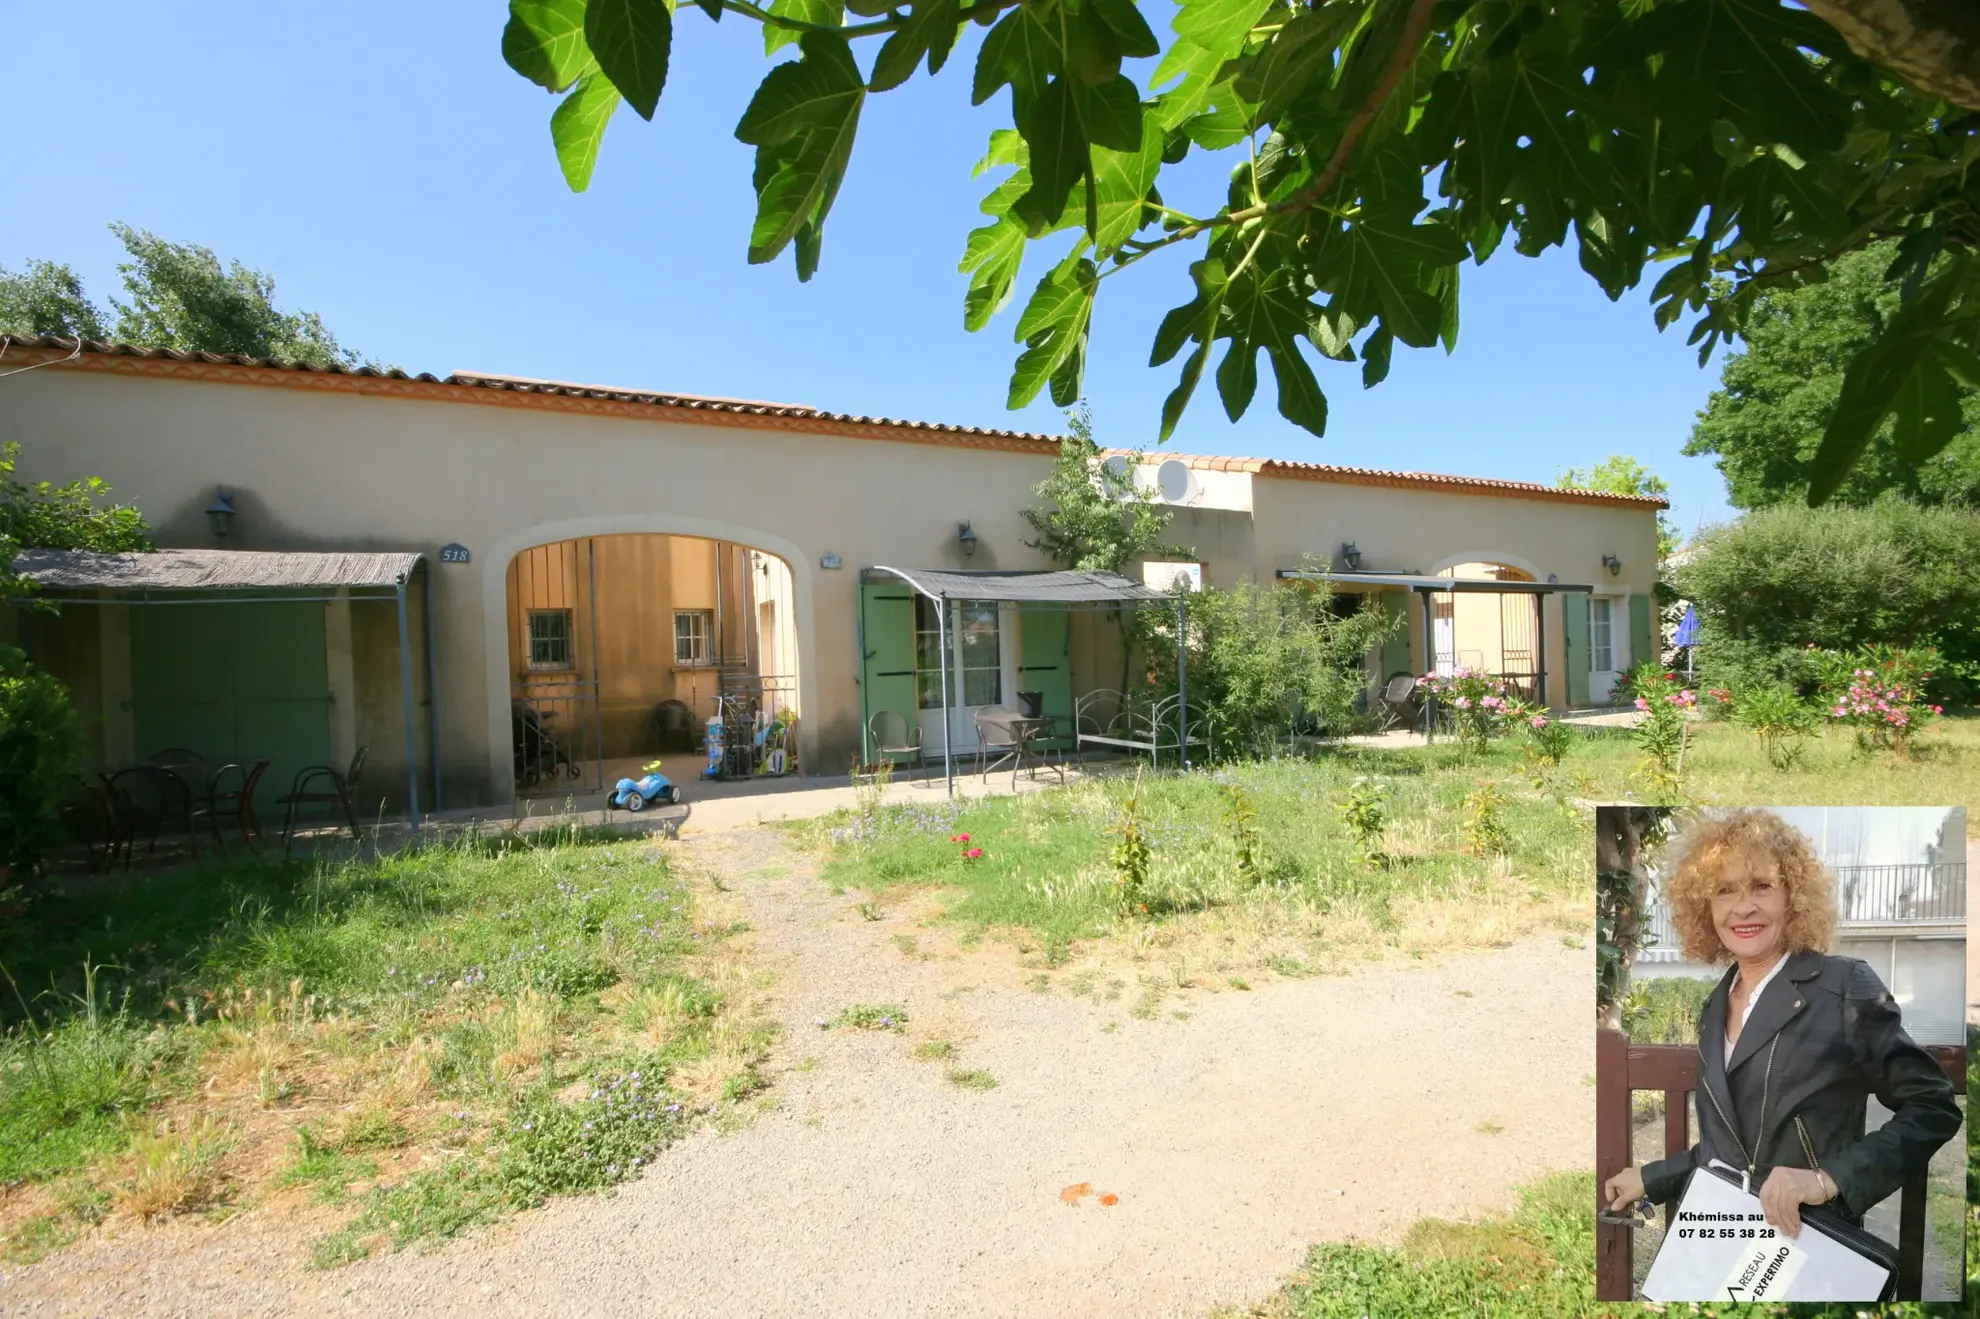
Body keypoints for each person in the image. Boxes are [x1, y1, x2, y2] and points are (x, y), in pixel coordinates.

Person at [1603, 809, 1961, 1239]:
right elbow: (1731, 1151)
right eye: (1724, 890)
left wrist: (1827, 1179)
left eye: (1762, 886)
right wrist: (1652, 1177)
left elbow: (1933, 1108)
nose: (1743, 906)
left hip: (1811, 1239)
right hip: (1728, 1233)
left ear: (1793, 897)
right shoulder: (1715, 1006)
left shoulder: (1844, 986)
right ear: (1706, 907)